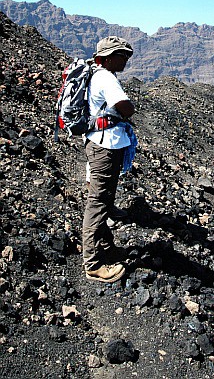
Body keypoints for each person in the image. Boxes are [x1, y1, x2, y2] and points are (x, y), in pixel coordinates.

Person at [81, 36, 137, 283]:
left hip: (101, 143)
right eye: (121, 55)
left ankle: (103, 244)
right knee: (98, 203)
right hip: (105, 147)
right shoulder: (106, 78)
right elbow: (125, 108)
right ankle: (93, 264)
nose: (124, 60)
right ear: (107, 58)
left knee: (104, 198)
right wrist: (130, 109)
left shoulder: (98, 75)